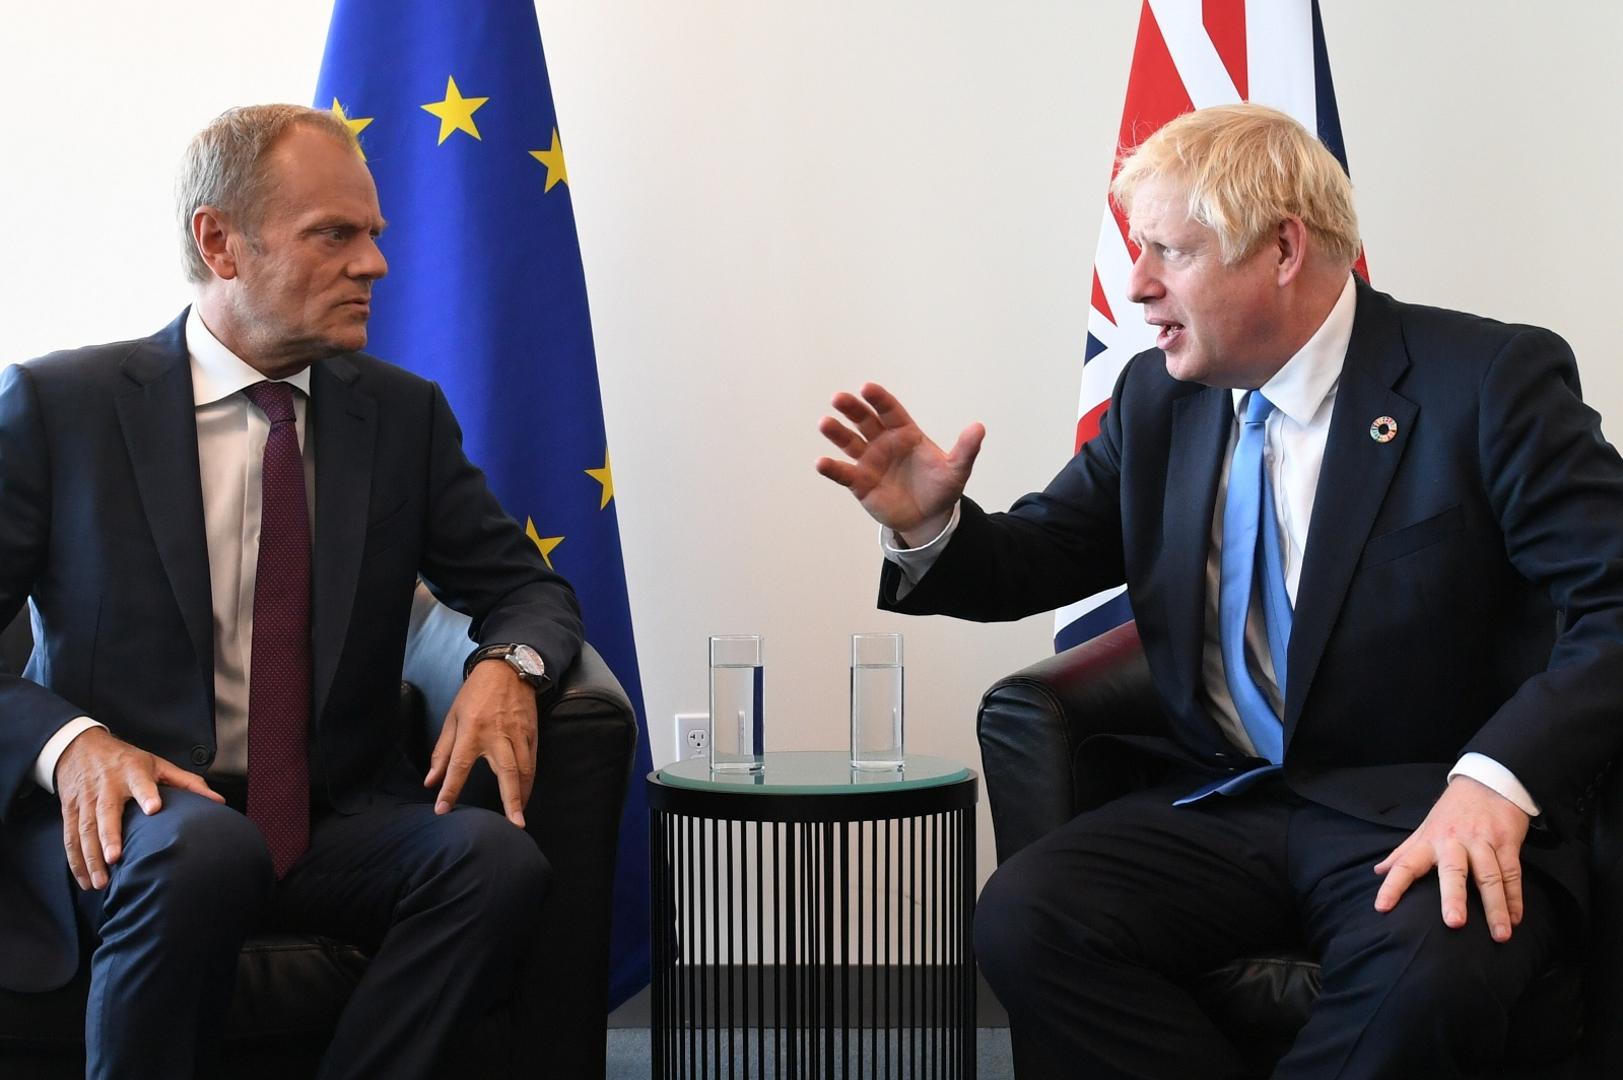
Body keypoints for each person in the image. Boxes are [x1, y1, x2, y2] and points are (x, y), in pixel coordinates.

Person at [816, 103, 1623, 1078]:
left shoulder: (1485, 381)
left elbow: (1612, 603)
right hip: (1227, 801)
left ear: (1282, 248)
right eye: (1136, 250)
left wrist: (1493, 783)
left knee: (1425, 977)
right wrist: (930, 524)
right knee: (1027, 917)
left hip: (1422, 803)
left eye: (1168, 251)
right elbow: (1041, 555)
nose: (1136, 286)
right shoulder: (1159, 398)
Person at [0, 104, 583, 1079]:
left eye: (375, 235)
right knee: (206, 851)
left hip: (330, 817)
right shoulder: (62, 409)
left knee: (494, 865)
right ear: (220, 243)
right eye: (335, 235)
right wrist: (71, 746)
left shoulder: (400, 416)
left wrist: (508, 665)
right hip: (137, 823)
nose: (375, 265)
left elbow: (526, 589)